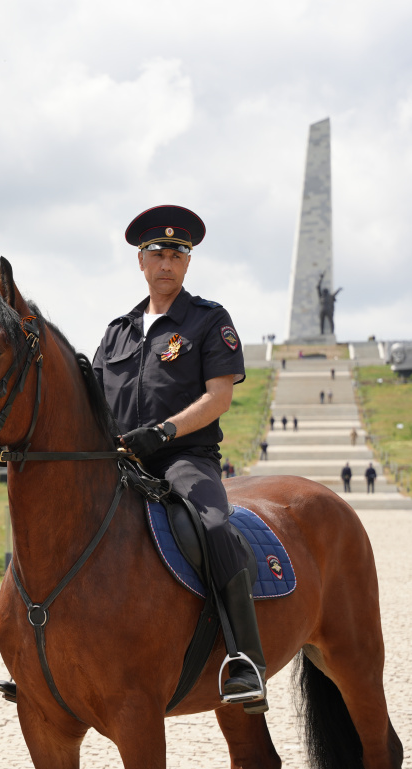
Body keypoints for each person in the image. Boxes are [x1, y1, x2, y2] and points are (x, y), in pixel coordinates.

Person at [91, 204, 267, 709]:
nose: (166, 261)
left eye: (176, 253)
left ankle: (243, 658)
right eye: (156, 253)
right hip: (120, 460)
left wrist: (164, 431)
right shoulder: (118, 331)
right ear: (140, 262)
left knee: (214, 525)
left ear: (187, 263)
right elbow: (94, 400)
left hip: (183, 457)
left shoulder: (209, 320)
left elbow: (218, 396)